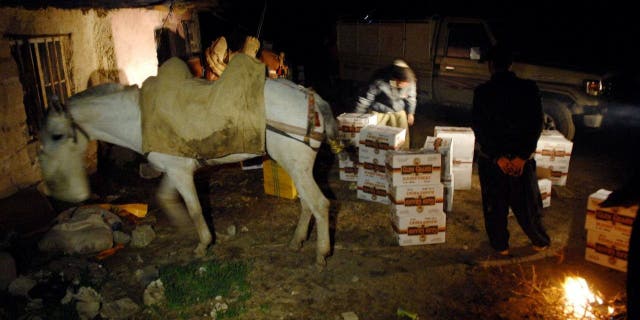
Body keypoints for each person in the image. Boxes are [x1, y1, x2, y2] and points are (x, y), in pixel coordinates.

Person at [471, 43, 551, 256]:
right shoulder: (529, 89)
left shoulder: (482, 92)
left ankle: (500, 247)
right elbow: (536, 124)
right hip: (520, 161)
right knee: (527, 205)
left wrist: (498, 157)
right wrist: (522, 157)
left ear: (490, 65)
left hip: (493, 161)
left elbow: (479, 127)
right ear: (511, 64)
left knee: (494, 206)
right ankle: (540, 241)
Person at [354, 59, 417, 149]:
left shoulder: (410, 80)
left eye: (405, 84)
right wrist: (357, 116)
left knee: (402, 139)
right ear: (394, 78)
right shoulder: (380, 80)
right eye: (401, 83)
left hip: (398, 111)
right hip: (379, 111)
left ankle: (401, 157)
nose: (403, 86)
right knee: (376, 138)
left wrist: (411, 113)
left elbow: (412, 97)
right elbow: (366, 98)